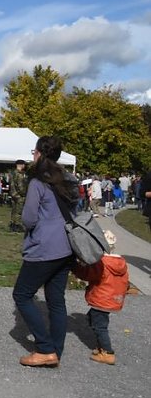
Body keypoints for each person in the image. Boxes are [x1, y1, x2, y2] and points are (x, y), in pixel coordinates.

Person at [12, 136, 78, 367]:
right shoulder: (69, 179)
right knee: (56, 300)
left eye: (34, 152)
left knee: (22, 295)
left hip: (44, 247)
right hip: (66, 246)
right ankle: (55, 350)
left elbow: (29, 218)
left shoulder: (38, 182)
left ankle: (45, 348)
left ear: (39, 153)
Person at [72, 230, 129, 365]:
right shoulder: (120, 262)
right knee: (94, 318)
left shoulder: (102, 263)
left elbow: (88, 275)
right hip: (113, 299)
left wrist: (76, 267)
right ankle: (101, 347)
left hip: (101, 299)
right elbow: (125, 282)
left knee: (100, 326)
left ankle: (107, 353)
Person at [8, 160, 27, 233]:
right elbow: (21, 187)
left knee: (13, 210)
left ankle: (12, 224)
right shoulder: (20, 175)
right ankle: (17, 226)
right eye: (24, 164)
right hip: (19, 196)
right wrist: (24, 193)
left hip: (13, 194)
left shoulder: (12, 173)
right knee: (19, 212)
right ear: (21, 165)